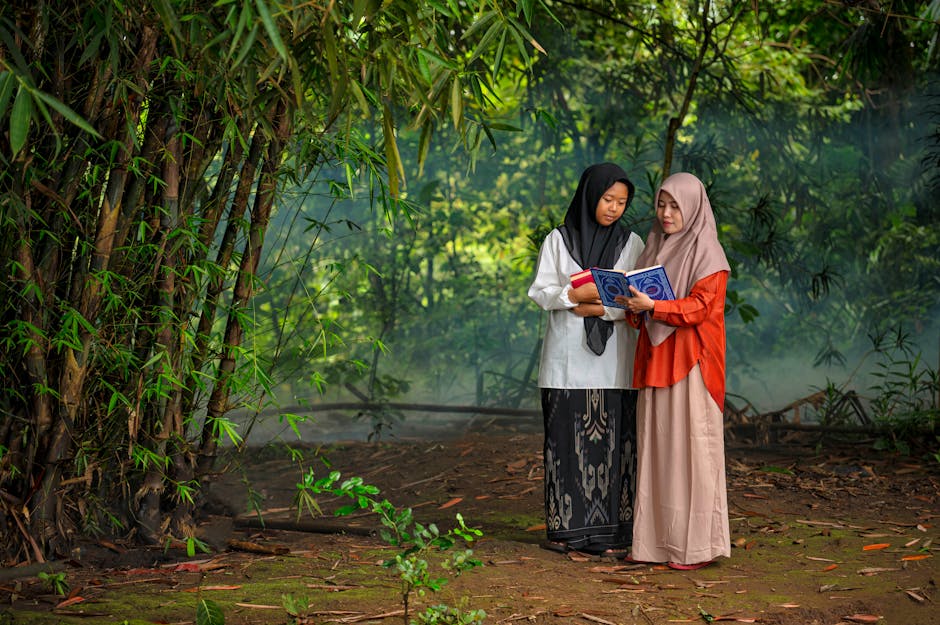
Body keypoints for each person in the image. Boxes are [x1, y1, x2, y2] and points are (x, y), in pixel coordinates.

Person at [616, 172, 732, 570]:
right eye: (661, 204)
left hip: (692, 363)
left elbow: (702, 309)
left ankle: (696, 547)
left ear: (694, 207)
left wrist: (654, 308)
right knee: (657, 451)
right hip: (655, 359)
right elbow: (642, 307)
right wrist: (634, 308)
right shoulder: (652, 246)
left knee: (691, 452)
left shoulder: (709, 252)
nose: (666, 213)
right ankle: (653, 545)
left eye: (675, 206)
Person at [527, 162, 644, 557]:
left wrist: (599, 308)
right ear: (589, 196)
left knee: (616, 449)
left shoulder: (633, 244)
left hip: (616, 362)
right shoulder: (558, 241)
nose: (613, 208)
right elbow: (542, 292)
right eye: (607, 199)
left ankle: (615, 533)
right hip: (566, 362)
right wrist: (573, 296)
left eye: (621, 202)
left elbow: (638, 298)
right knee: (564, 446)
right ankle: (567, 532)